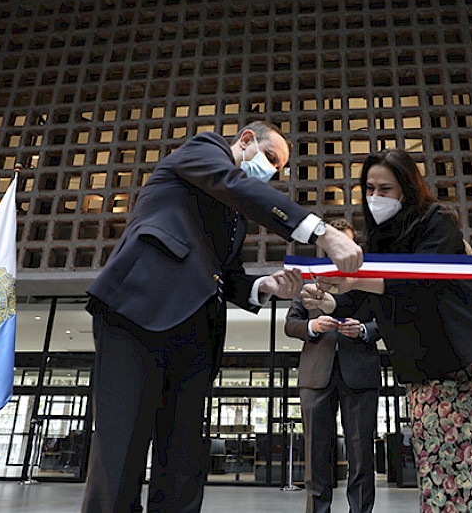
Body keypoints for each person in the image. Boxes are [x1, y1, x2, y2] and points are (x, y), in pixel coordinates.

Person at [82, 121, 363, 513]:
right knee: (121, 445)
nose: (271, 171)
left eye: (278, 168)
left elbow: (225, 274)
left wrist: (265, 287)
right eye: (270, 158)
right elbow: (235, 184)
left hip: (195, 331)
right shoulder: (203, 151)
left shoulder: (235, 218)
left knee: (182, 455)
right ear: (246, 140)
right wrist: (320, 232)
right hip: (139, 310)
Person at [301, 149, 472, 512]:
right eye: (369, 188)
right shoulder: (377, 241)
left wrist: (354, 280)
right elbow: (371, 298)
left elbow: (422, 283)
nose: (375, 197)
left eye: (386, 188)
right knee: (447, 477)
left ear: (408, 188)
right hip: (428, 375)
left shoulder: (437, 221)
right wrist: (328, 300)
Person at [284, 219, 380, 513]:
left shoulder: (369, 282)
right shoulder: (307, 281)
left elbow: (387, 322)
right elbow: (291, 324)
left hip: (360, 373)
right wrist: (311, 325)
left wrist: (364, 329)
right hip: (316, 375)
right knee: (316, 454)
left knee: (362, 452)